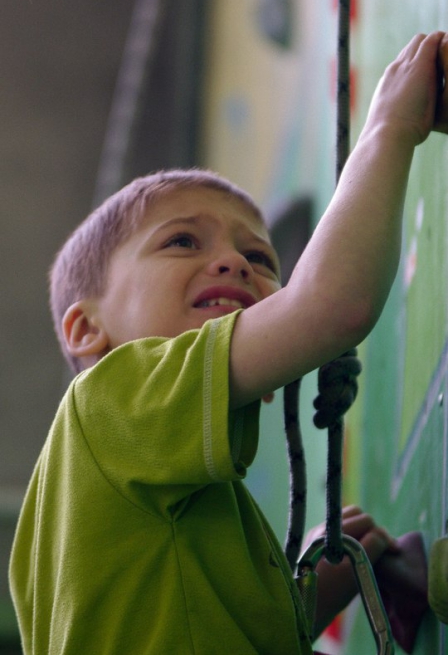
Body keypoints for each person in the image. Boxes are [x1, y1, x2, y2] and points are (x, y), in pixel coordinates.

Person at [9, 32, 448, 655]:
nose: (235, 265)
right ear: (86, 331)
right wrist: (387, 128)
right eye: (184, 241)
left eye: (259, 258)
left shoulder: (142, 506)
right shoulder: (107, 403)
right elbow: (334, 306)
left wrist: (299, 595)